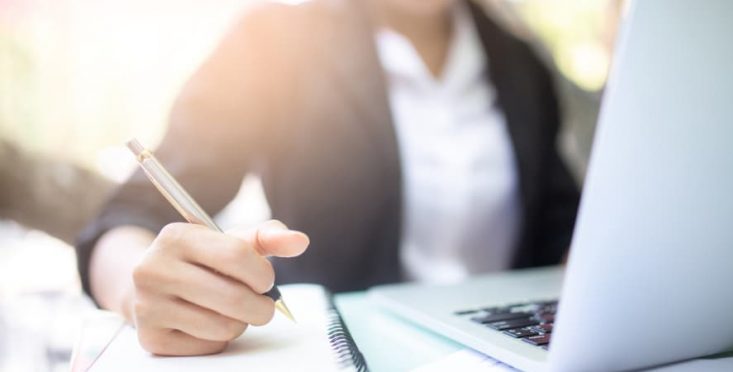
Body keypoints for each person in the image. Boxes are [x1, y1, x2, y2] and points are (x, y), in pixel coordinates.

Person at [76, 0, 579, 356]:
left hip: (507, 353)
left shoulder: (520, 62)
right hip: (338, 351)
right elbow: (130, 217)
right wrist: (138, 294)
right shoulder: (273, 42)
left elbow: (563, 225)